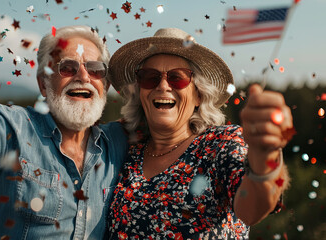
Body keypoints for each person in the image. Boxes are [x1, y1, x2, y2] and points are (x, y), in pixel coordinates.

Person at [0, 18, 128, 239]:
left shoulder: (118, 142)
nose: (84, 77)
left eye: (95, 69)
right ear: (43, 83)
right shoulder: (11, 126)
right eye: (68, 67)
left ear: (105, 86)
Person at [105, 28, 293, 239]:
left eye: (177, 78)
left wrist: (263, 155)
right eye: (150, 77)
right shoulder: (124, 149)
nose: (163, 86)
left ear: (198, 96)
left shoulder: (221, 145)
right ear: (140, 92)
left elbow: (252, 209)